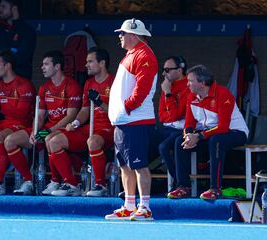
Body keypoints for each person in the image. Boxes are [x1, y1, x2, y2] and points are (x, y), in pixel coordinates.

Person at [2, 50, 82, 195]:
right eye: (42, 64)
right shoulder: (44, 88)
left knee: (48, 138)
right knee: (10, 141)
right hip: (47, 130)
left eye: (46, 64)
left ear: (57, 66)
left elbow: (71, 116)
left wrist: (50, 130)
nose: (42, 67)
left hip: (66, 130)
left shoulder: (72, 86)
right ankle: (28, 181)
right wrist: (34, 131)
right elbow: (40, 116)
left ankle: (59, 182)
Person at [167, 64, 249, 200]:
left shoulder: (222, 93)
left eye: (190, 81)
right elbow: (189, 123)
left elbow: (223, 127)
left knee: (216, 140)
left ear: (202, 83)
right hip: (209, 133)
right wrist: (188, 136)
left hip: (235, 132)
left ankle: (215, 188)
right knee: (179, 141)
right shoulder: (191, 96)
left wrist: (198, 136)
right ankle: (183, 187)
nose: (187, 84)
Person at [106, 18, 158, 221]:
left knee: (139, 165)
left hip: (135, 120)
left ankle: (145, 207)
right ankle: (129, 205)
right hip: (124, 120)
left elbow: (142, 90)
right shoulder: (132, 54)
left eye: (123, 33)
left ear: (134, 35)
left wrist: (126, 107)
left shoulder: (144, 55)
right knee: (125, 166)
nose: (119, 36)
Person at [45, 48, 114, 197]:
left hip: (107, 128)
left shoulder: (113, 82)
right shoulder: (88, 83)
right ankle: (67, 183)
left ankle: (100, 185)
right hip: (83, 128)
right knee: (50, 139)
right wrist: (75, 123)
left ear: (102, 63)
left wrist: (99, 102)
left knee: (92, 141)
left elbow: (118, 113)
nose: (86, 65)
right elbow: (83, 110)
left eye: (90, 61)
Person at [0, 49, 36, 195]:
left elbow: (22, 112)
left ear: (7, 66)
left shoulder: (24, 85)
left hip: (24, 126)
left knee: (1, 136)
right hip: (5, 125)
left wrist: (0, 107)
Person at [153, 56, 190, 189]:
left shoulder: (188, 85)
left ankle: (179, 183)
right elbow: (162, 116)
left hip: (182, 130)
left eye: (167, 70)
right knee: (143, 140)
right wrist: (168, 95)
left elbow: (175, 115)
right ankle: (134, 185)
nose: (164, 73)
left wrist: (168, 94)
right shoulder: (167, 84)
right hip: (167, 128)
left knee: (164, 147)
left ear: (179, 70)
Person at [0, 0, 36, 85]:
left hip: (19, 88)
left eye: (3, 7)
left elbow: (22, 58)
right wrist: (10, 50)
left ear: (14, 9)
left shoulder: (27, 31)